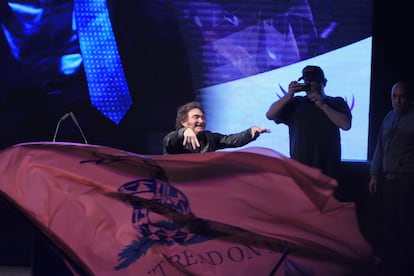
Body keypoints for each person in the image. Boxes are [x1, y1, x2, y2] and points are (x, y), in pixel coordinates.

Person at [265, 65, 352, 187]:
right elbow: (270, 115)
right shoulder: (297, 103)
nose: (309, 83)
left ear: (324, 82)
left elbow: (345, 124)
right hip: (301, 169)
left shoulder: (336, 102)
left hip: (328, 170)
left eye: (313, 80)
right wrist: (289, 95)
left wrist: (322, 105)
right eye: (306, 80)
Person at [368, 81, 414, 275]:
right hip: (389, 179)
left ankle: (406, 265)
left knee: (406, 224)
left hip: (408, 180)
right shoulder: (389, 117)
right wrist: (374, 174)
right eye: (395, 97)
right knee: (389, 223)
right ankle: (392, 263)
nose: (398, 101)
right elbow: (380, 147)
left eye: (402, 96)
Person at [163, 101, 270, 154]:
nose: (201, 121)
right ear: (184, 122)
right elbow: (168, 141)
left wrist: (250, 132)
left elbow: (231, 140)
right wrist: (183, 132)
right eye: (196, 117)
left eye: (203, 118)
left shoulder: (210, 138)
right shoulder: (175, 140)